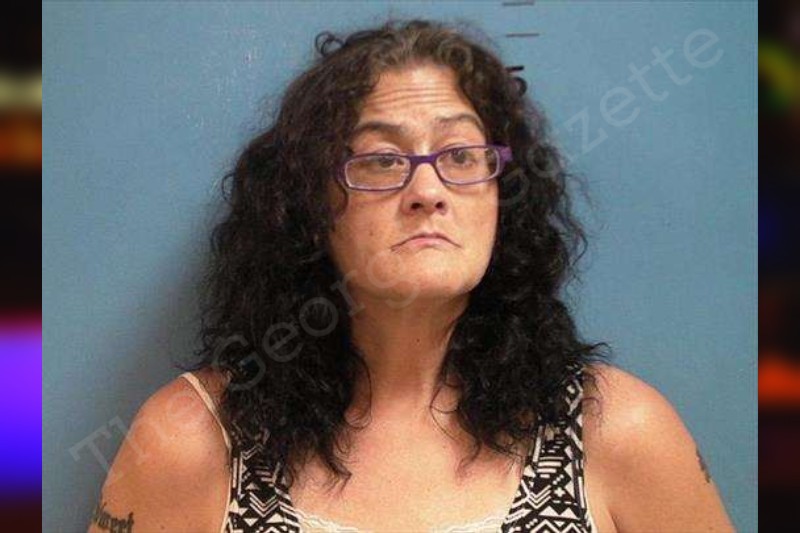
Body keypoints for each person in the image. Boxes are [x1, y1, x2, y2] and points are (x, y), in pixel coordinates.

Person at [88, 19, 734, 533]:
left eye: (461, 155)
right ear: (308, 207)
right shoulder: (194, 438)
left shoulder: (615, 428)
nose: (428, 190)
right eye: (381, 159)